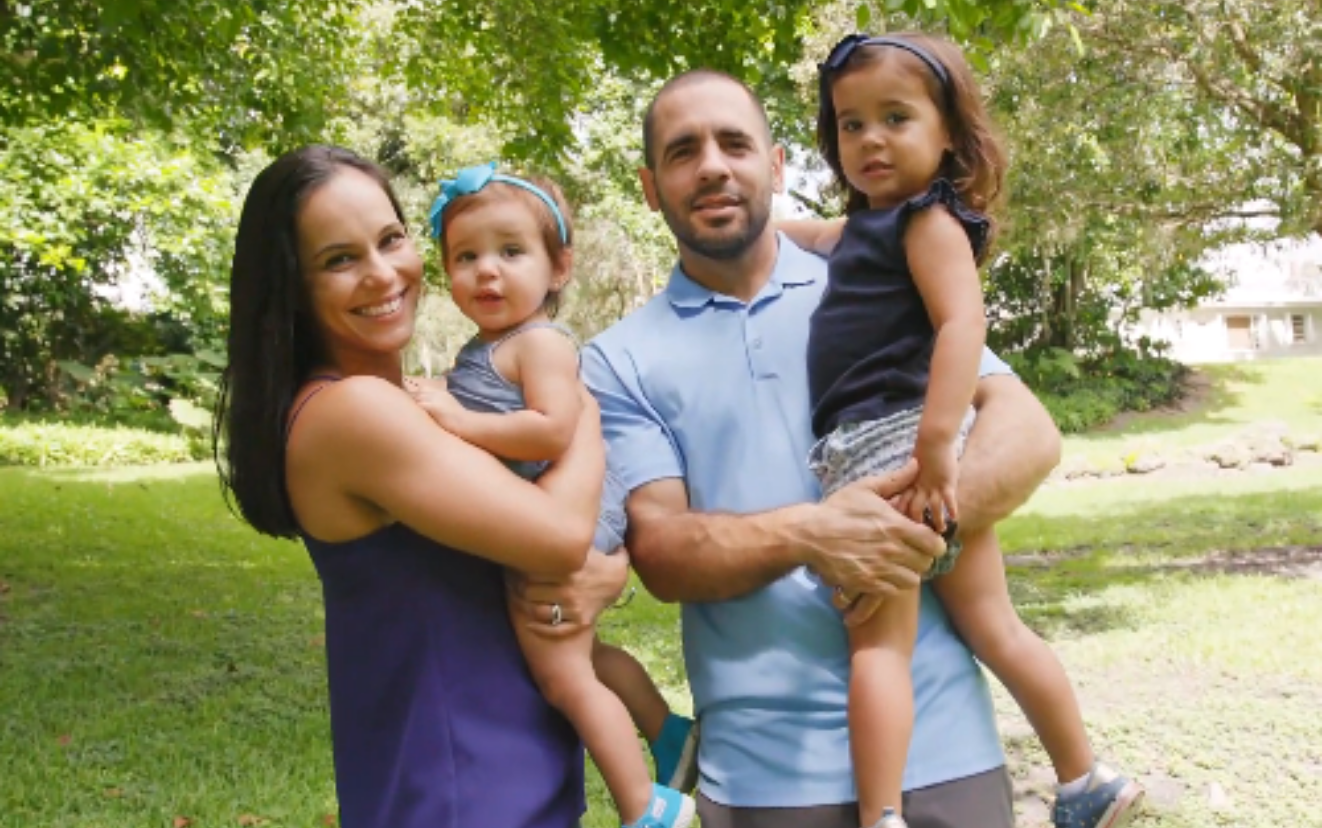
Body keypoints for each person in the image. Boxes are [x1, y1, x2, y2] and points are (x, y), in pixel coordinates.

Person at [574, 68, 1053, 828]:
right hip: (763, 776)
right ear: (649, 186)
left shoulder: (874, 275)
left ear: (777, 164)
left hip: (945, 750)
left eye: (735, 142)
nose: (712, 166)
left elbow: (1029, 433)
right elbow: (661, 552)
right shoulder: (617, 359)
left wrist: (905, 527)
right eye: (682, 151)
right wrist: (814, 531)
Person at [213, 144, 630, 828]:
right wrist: (577, 413)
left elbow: (549, 553)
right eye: (339, 260)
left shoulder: (403, 401)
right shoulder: (353, 413)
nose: (383, 275)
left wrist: (607, 572)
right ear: (294, 288)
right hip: (457, 790)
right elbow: (557, 539)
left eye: (390, 240)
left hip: (504, 768)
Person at [788, 33, 1144, 828]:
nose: (871, 139)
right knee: (994, 625)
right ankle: (1085, 778)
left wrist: (934, 452)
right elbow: (822, 239)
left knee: (880, 650)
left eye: (895, 118)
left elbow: (961, 325)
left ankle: (881, 816)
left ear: (947, 132)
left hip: (887, 444)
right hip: (904, 441)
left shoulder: (927, 223)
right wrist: (771, 227)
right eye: (850, 125)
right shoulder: (877, 227)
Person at [408, 160, 697, 828]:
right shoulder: (492, 347)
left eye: (511, 252)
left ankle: (647, 806)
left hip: (574, 509)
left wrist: (455, 417)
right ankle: (670, 734)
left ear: (558, 267)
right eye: (467, 256)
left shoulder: (538, 343)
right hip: (562, 506)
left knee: (560, 675)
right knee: (585, 656)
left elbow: (548, 430)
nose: (487, 270)